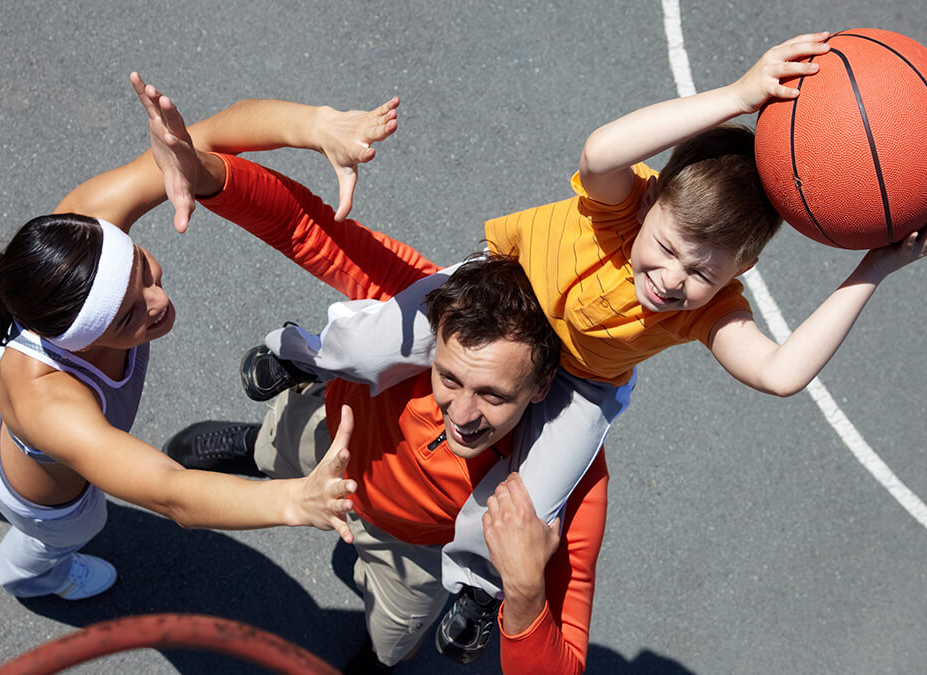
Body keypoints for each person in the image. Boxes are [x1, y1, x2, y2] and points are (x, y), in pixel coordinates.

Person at [239, 31, 927, 660]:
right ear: (652, 203)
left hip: (580, 383)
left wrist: (875, 267)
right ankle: (301, 353)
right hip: (506, 287)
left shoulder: (709, 311)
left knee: (532, 497)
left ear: (743, 269)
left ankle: (476, 587)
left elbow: (780, 372)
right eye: (668, 249)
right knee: (372, 343)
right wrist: (738, 96)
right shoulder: (618, 206)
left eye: (701, 272)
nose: (671, 280)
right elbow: (602, 148)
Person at [0, 74, 405, 600]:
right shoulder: (49, 404)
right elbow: (170, 490)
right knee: (64, 536)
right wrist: (293, 500)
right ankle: (29, 578)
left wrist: (318, 125)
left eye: (142, 270)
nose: (158, 302)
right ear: (72, 342)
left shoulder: (85, 227)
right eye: (128, 317)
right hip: (35, 494)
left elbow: (208, 136)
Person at [136, 79, 605, 673]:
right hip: (334, 436)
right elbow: (305, 228)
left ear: (541, 386)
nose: (462, 415)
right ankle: (256, 446)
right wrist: (203, 172)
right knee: (282, 443)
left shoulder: (571, 473)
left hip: (410, 550)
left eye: (493, 394)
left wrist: (526, 590)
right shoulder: (432, 304)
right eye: (449, 378)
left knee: (389, 644)